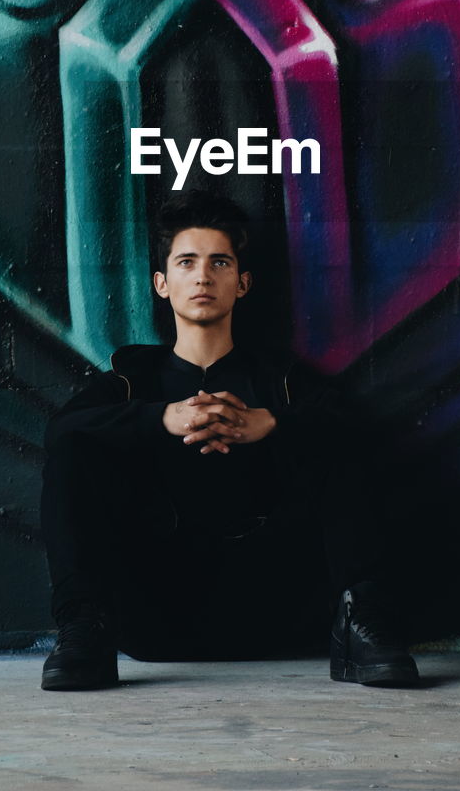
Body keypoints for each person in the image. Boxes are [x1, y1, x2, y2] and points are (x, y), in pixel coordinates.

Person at [40, 190, 418, 689]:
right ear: (162, 283)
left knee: (337, 436)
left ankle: (366, 626)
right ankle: (81, 633)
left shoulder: (280, 379)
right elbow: (60, 433)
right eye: (187, 262)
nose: (202, 276)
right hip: (153, 615)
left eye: (219, 262)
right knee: (75, 443)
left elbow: (357, 432)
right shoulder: (130, 379)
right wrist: (160, 420)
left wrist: (271, 424)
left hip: (275, 608)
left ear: (242, 283)